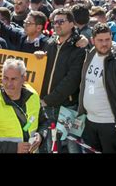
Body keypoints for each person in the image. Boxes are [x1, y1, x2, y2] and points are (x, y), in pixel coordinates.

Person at [78, 23, 116, 153]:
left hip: (109, 125)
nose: (104, 44)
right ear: (93, 41)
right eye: (100, 40)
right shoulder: (91, 55)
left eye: (107, 39)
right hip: (89, 122)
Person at [36, 8, 86, 153]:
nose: (57, 25)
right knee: (51, 145)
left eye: (61, 21)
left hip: (68, 106)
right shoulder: (50, 43)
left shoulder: (79, 47)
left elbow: (72, 80)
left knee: (73, 145)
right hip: (47, 104)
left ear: (72, 24)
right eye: (54, 22)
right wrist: (39, 58)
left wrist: (48, 100)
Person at [0, 58, 48, 153]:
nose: (9, 84)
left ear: (24, 79)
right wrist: (14, 148)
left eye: (14, 79)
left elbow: (44, 123)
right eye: (5, 78)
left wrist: (41, 135)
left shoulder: (33, 96)